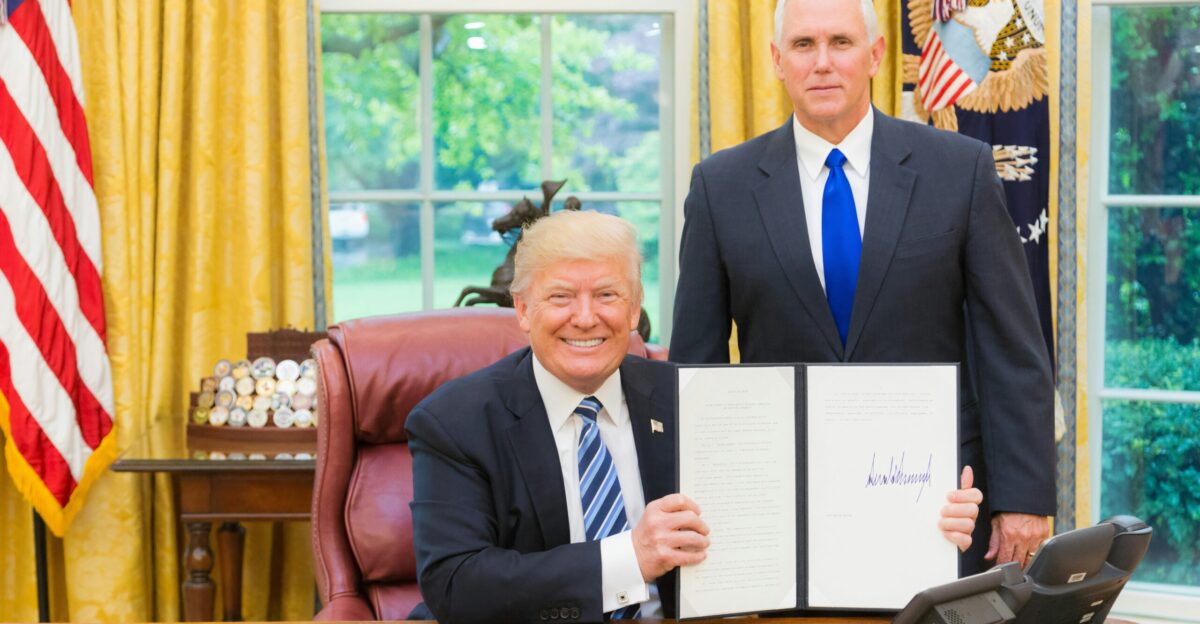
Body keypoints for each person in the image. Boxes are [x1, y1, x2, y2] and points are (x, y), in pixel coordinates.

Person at [408, 210, 984, 623]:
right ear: (524, 310)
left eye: (608, 295)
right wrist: (628, 558)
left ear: (634, 310)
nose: (586, 318)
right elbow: (457, 586)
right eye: (561, 297)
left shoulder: (696, 398)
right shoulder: (455, 422)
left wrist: (919, 520)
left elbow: (802, 515)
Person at [669, 0, 1055, 575]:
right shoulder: (719, 187)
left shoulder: (961, 169)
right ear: (777, 60)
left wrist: (1023, 496)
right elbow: (694, 371)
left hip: (941, 506)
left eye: (841, 43)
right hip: (785, 509)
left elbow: (1012, 345)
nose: (822, 63)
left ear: (875, 55)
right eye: (803, 45)